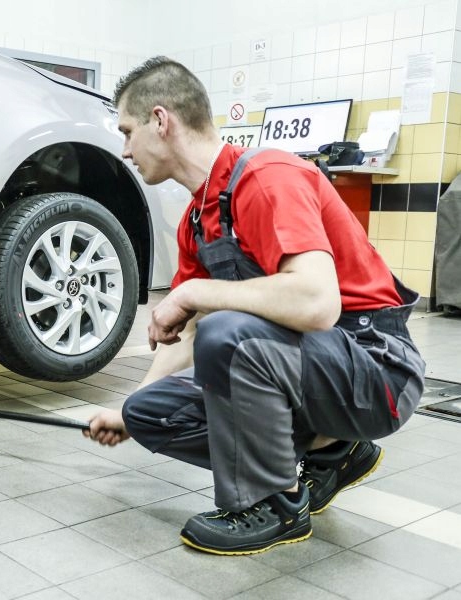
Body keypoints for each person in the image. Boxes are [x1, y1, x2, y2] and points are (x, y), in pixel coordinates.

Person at [85, 56, 425, 556]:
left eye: (128, 132)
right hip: (314, 368)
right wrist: (126, 408)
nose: (126, 150)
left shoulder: (268, 177)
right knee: (148, 412)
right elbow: (188, 334)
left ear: (161, 120)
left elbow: (317, 302)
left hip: (376, 370)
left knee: (227, 332)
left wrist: (193, 294)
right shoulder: (198, 219)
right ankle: (332, 450)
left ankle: (274, 503)